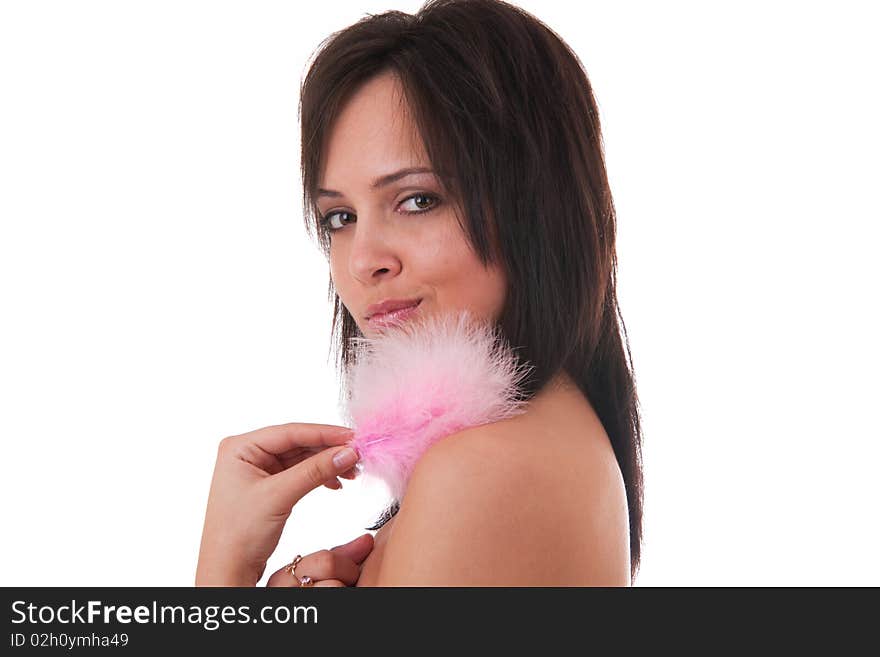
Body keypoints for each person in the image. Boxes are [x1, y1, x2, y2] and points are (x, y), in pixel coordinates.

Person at [197, 0, 643, 587]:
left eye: (417, 200)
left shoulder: (483, 472)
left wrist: (221, 579)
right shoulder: (543, 445)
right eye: (340, 217)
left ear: (537, 207)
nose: (363, 261)